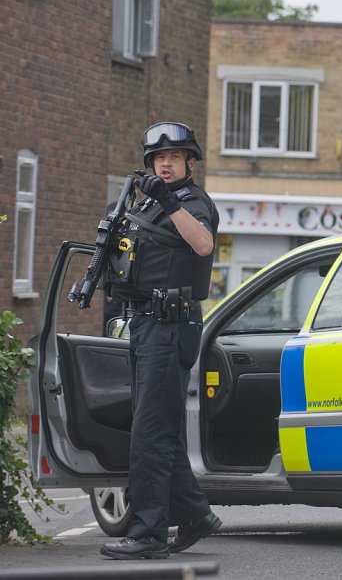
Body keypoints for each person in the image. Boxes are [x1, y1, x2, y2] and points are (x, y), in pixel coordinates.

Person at [101, 122, 222, 560]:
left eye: (174, 157)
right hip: (146, 324)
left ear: (190, 161)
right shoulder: (148, 206)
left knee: (150, 434)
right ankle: (193, 515)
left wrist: (169, 200)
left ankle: (148, 533)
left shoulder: (190, 202)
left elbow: (204, 245)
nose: (165, 164)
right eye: (157, 158)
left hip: (171, 326)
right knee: (157, 430)